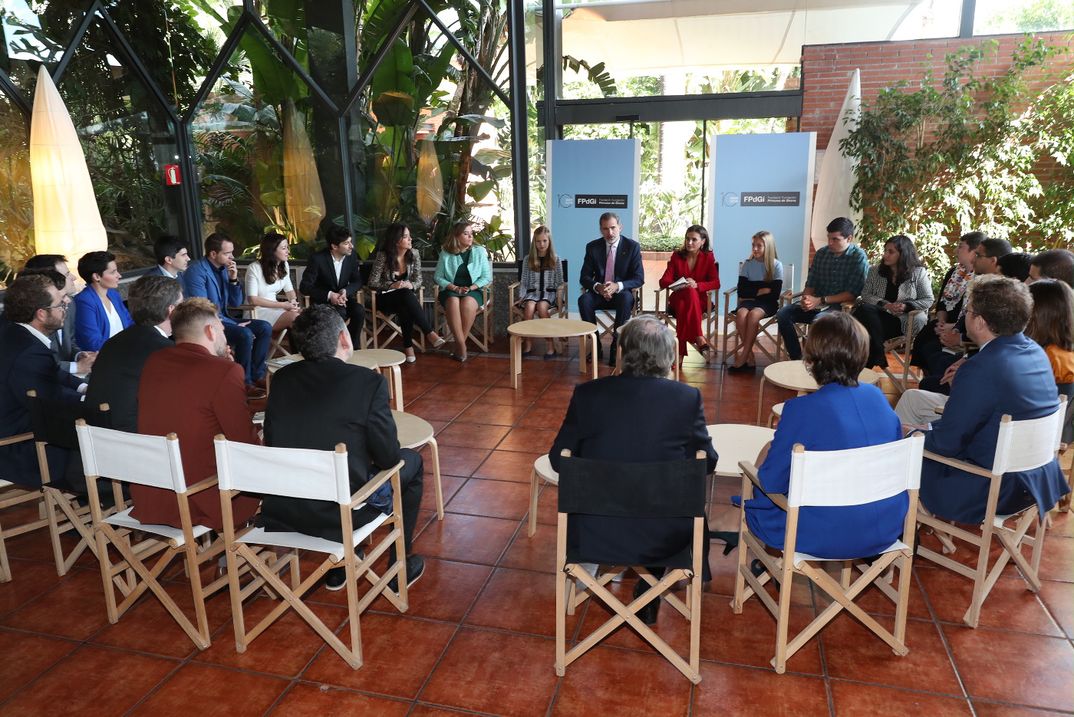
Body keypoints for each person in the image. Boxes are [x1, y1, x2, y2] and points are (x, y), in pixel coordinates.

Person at [549, 315, 718, 624]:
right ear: (668, 357)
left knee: (641, 498)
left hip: (594, 533)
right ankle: (651, 584)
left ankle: (640, 584)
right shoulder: (686, 399)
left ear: (622, 352)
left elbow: (558, 460)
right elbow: (707, 462)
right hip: (665, 537)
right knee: (664, 501)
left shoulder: (589, 395)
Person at [262, 305, 426, 591]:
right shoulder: (368, 382)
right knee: (410, 461)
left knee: (345, 467)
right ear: (343, 339)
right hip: (343, 513)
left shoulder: (282, 380)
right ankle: (398, 566)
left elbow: (274, 441)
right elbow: (388, 457)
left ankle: (342, 565)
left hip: (287, 506)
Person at [744, 311, 905, 558]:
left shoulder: (801, 409)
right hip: (884, 526)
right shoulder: (878, 399)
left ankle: (770, 564)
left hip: (821, 533)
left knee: (764, 464)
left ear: (812, 359)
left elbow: (771, 481)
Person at [911, 276, 1068, 524]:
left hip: (990, 487)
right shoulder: (1035, 352)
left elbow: (947, 444)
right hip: (1035, 479)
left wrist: (912, 435)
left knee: (897, 449)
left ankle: (897, 530)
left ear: (981, 322)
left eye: (969, 311)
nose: (966, 317)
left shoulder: (981, 367)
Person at [133, 297, 261, 531]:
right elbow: (244, 442)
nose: (225, 336)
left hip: (153, 494)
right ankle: (244, 554)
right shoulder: (224, 371)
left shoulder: (154, 361)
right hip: (202, 498)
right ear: (211, 331)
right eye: (223, 329)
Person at [0, 274, 85, 488]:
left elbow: (52, 373)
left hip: (17, 432)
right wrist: (89, 400)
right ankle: (104, 506)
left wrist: (83, 387)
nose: (65, 304)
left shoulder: (15, 333)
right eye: (59, 303)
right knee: (104, 443)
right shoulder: (28, 351)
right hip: (19, 448)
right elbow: (51, 402)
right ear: (41, 314)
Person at [917, 236, 1013, 395]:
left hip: (979, 360)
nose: (975, 258)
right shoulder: (976, 279)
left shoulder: (999, 293)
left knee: (932, 375)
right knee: (929, 343)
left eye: (979, 255)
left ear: (993, 261)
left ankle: (942, 396)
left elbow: (993, 341)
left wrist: (960, 340)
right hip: (972, 348)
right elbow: (956, 312)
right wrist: (955, 331)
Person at [85, 275, 180, 432]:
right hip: (134, 439)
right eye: (181, 305)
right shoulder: (164, 350)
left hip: (96, 435)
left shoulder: (113, 342)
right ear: (171, 311)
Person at [182, 233, 272, 397]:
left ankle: (257, 375)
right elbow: (202, 308)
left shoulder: (224, 268)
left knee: (264, 327)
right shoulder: (196, 271)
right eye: (227, 253)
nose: (232, 257)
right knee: (244, 333)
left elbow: (235, 303)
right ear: (213, 254)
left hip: (225, 318)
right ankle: (244, 383)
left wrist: (233, 279)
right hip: (206, 324)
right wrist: (232, 324)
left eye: (231, 252)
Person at [775, 217, 868, 360]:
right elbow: (811, 283)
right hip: (817, 303)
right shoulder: (821, 254)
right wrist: (806, 300)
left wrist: (820, 300)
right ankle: (797, 358)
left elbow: (852, 294)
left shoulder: (858, 257)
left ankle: (818, 362)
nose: (830, 243)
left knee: (819, 321)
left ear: (849, 238)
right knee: (783, 314)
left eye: (835, 239)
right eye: (828, 238)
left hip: (841, 308)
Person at [851, 234, 933, 368]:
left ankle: (871, 361)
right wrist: (886, 304)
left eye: (891, 252)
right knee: (864, 310)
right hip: (879, 318)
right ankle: (878, 353)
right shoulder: (875, 271)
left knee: (865, 330)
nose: (885, 255)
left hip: (903, 321)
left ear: (903, 254)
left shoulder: (918, 273)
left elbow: (928, 299)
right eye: (885, 251)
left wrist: (906, 306)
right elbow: (865, 294)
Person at [367, 223, 445, 363]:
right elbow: (372, 282)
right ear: (396, 240)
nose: (410, 239)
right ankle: (429, 333)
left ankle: (408, 347)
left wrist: (411, 284)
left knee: (405, 303)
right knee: (405, 295)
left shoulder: (414, 254)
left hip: (404, 300)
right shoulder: (383, 256)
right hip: (385, 299)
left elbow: (418, 279)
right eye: (405, 237)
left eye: (410, 236)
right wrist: (392, 284)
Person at [577, 212, 645, 366]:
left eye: (613, 228)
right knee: (584, 300)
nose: (610, 233)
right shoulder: (593, 247)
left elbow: (639, 278)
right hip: (599, 293)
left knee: (626, 298)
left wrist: (617, 286)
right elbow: (584, 277)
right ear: (601, 230)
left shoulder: (632, 246)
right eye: (605, 229)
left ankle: (616, 345)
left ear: (620, 227)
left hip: (621, 294)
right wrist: (598, 286)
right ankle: (595, 344)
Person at [910, 231, 983, 370]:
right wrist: (942, 321)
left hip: (964, 329)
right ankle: (929, 377)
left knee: (932, 350)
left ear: (973, 252)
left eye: (960, 247)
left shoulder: (981, 278)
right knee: (924, 338)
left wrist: (954, 327)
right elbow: (942, 303)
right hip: (945, 324)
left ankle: (938, 381)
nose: (956, 250)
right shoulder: (954, 273)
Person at [20, 255, 95, 375]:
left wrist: (79, 356)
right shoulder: (29, 316)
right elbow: (35, 364)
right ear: (49, 280)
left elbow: (70, 341)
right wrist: (76, 367)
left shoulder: (70, 303)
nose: (74, 278)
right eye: (67, 274)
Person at [658, 225, 719, 362]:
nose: (689, 243)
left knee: (683, 305)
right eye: (687, 239)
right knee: (687, 293)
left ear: (703, 241)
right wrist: (682, 283)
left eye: (694, 239)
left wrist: (697, 285)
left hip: (699, 301)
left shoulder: (708, 257)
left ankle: (679, 354)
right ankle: (698, 335)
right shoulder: (677, 256)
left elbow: (716, 283)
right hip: (678, 296)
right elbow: (663, 281)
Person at [299, 224, 366, 349]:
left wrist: (346, 290)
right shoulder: (317, 259)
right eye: (346, 243)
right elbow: (305, 286)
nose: (351, 246)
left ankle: (353, 347)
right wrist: (330, 295)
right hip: (323, 302)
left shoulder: (351, 256)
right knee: (338, 313)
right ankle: (335, 350)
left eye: (350, 242)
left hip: (344, 299)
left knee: (359, 311)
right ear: (334, 246)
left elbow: (357, 281)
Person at [434, 221, 492, 363]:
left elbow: (487, 277)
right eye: (466, 234)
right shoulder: (446, 253)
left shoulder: (479, 251)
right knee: (453, 301)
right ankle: (462, 346)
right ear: (456, 236)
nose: (470, 237)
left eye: (471, 234)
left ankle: (459, 345)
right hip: (451, 290)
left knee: (466, 304)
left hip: (474, 290)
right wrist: (453, 288)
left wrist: (471, 287)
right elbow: (438, 277)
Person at [729, 230, 784, 372]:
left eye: (759, 246)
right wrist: (761, 290)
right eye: (753, 245)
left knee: (753, 315)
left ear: (768, 247)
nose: (754, 249)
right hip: (750, 302)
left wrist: (752, 290)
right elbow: (742, 292)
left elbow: (774, 294)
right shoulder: (747, 265)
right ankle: (750, 355)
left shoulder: (776, 265)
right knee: (741, 314)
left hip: (768, 304)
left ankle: (744, 356)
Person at [515, 225, 565, 358]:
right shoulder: (528, 259)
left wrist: (560, 297)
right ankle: (528, 342)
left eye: (544, 241)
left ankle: (550, 346)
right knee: (529, 307)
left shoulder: (556, 259)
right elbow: (524, 281)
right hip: (532, 293)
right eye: (538, 241)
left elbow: (560, 282)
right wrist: (521, 296)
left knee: (542, 307)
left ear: (549, 242)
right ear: (534, 242)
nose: (541, 244)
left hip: (549, 294)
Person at [73, 250, 133, 352]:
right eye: (113, 272)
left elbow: (130, 323)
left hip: (126, 353)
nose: (119, 275)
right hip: (104, 359)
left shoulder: (113, 294)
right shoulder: (84, 301)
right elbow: (93, 343)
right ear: (96, 276)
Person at [244, 232, 300, 334]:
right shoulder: (254, 268)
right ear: (272, 250)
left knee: (309, 315)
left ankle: (300, 349)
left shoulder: (284, 265)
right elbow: (252, 300)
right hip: (257, 312)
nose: (288, 251)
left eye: (287, 247)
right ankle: (299, 349)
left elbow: (290, 291)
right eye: (284, 248)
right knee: (295, 318)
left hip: (277, 310)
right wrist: (282, 305)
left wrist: (293, 302)